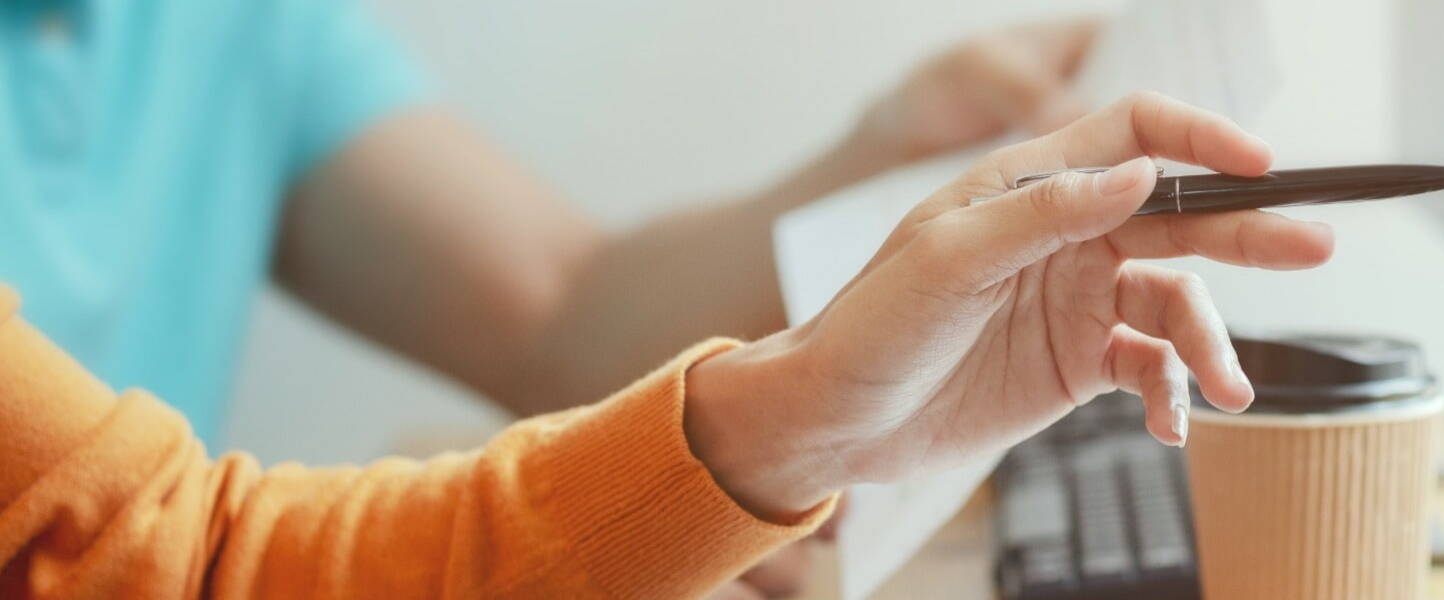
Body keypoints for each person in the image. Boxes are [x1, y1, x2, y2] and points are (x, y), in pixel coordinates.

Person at [0, 2, 1337, 598]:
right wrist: (776, 436)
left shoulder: (210, 19)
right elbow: (182, 559)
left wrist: (894, 141)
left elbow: (560, 308)